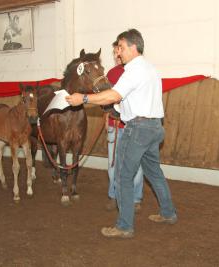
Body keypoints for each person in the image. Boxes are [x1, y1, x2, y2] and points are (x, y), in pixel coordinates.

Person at [66, 29, 177, 239]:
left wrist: (85, 99)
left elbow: (115, 94)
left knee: (122, 176)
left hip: (137, 129)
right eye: (117, 49)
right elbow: (129, 100)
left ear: (134, 47)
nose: (118, 53)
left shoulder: (133, 70)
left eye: (121, 48)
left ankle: (125, 226)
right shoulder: (150, 69)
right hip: (154, 127)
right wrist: (115, 109)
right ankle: (168, 212)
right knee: (154, 173)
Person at [105, 40, 144, 213]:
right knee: (113, 164)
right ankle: (114, 195)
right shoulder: (111, 74)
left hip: (133, 126)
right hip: (115, 125)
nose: (116, 55)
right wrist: (107, 119)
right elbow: (106, 100)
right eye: (114, 52)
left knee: (136, 165)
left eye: (118, 51)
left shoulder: (136, 72)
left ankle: (135, 198)